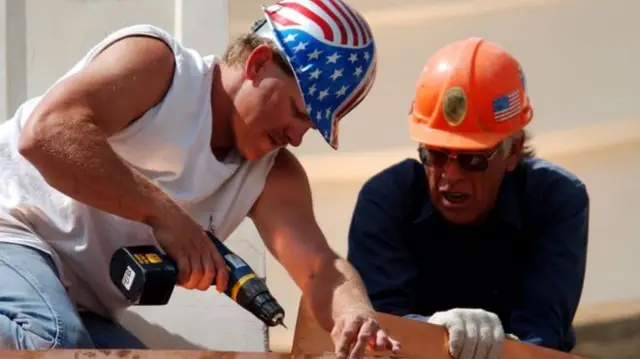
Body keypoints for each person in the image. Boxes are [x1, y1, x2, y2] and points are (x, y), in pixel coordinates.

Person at [0, 0, 400, 357]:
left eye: (310, 126)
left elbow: (320, 268)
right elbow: (47, 134)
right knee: (50, 344)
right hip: (13, 230)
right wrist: (167, 217)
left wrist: (355, 312)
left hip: (73, 301)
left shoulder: (273, 175)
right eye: (298, 111)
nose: (297, 136)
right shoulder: (158, 67)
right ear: (258, 62)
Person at [347, 37, 589, 359]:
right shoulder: (386, 200)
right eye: (434, 155)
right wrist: (433, 330)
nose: (451, 175)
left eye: (472, 159)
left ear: (513, 152)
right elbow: (380, 326)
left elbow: (541, 335)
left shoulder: (556, 200)